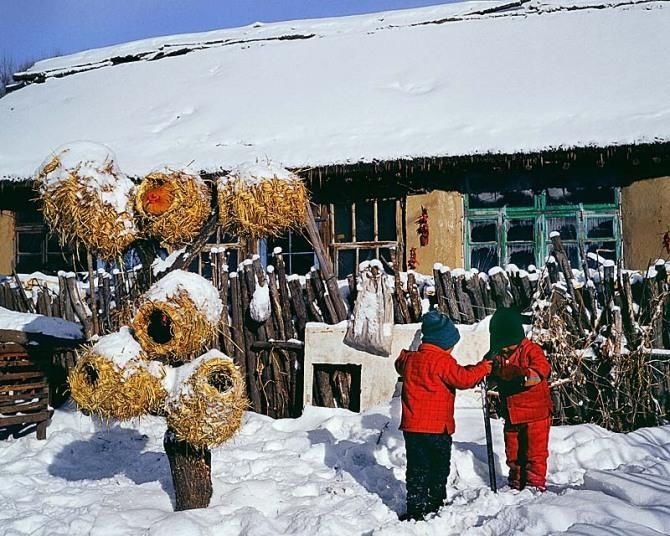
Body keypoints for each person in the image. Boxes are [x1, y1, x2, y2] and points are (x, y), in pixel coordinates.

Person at [395, 309, 493, 521]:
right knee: (438, 468)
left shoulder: (412, 360)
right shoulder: (442, 361)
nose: (452, 350)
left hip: (413, 429)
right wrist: (483, 368)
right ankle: (434, 503)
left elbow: (399, 364)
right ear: (442, 343)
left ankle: (416, 507)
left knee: (417, 469)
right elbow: (463, 379)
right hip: (437, 430)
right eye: (451, 346)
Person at [487, 306, 552, 492]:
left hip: (536, 414)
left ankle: (534, 485)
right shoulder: (499, 353)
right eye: (501, 345)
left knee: (534, 453)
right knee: (513, 452)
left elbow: (541, 370)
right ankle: (516, 483)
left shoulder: (531, 350)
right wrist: (486, 372)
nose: (505, 350)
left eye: (508, 345)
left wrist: (522, 376)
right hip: (512, 414)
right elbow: (488, 365)